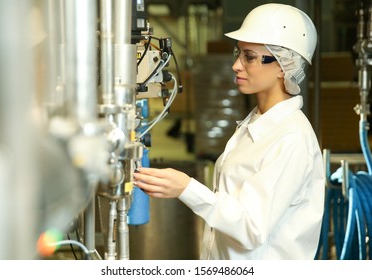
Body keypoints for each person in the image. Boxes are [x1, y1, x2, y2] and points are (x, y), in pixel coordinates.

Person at [133, 3, 325, 260]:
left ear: (283, 65)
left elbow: (250, 228)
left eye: (249, 56)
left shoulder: (290, 137)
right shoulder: (256, 123)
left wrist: (186, 187)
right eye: (239, 53)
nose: (236, 65)